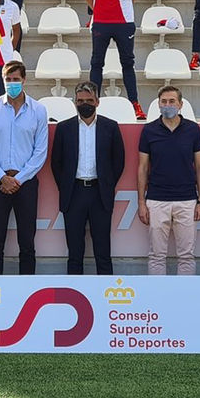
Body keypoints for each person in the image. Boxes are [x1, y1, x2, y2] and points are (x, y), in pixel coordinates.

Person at [0, 60, 49, 275]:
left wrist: (19, 179)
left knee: (27, 242)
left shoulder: (38, 110)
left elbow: (40, 152)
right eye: (8, 80)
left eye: (15, 79)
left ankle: (26, 291)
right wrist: (3, 178)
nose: (11, 83)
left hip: (26, 183)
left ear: (24, 80)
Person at [50, 81, 125, 275]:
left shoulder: (110, 127)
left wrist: (107, 184)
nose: (85, 104)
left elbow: (118, 161)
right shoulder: (64, 128)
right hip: (73, 194)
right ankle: (74, 299)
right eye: (80, 100)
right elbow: (56, 163)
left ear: (97, 102)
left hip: (100, 193)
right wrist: (66, 186)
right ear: (74, 102)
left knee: (103, 252)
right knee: (75, 253)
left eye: (89, 100)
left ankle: (106, 298)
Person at [137, 86, 200, 276]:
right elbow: (142, 168)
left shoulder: (192, 129)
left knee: (187, 256)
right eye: (164, 102)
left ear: (180, 104)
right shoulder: (149, 130)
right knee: (156, 256)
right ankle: (158, 300)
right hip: (157, 200)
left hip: (187, 201)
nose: (167, 105)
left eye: (172, 101)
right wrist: (142, 202)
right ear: (158, 104)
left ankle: (184, 300)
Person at [83, 0, 146, 120]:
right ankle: (94, 102)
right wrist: (98, 9)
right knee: (96, 63)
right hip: (101, 21)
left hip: (125, 21)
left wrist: (123, 6)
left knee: (128, 63)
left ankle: (134, 103)